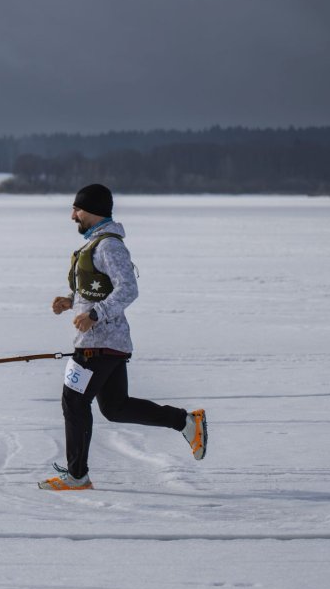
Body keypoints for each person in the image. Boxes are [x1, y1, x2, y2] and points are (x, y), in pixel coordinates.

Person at [39, 183, 207, 491]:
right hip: (104, 342)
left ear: (91, 210)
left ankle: (77, 475)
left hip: (99, 344)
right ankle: (185, 421)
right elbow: (96, 290)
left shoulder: (109, 246)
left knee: (74, 402)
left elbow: (128, 288)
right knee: (115, 407)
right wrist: (70, 301)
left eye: (77, 209)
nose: (73, 216)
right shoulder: (95, 244)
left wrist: (94, 315)